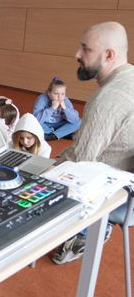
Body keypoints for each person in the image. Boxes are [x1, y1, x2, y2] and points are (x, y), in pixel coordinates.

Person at [52, 21, 134, 264]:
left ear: (109, 55)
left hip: (117, 191)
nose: (76, 54)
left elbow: (79, 162)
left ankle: (91, 228)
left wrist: (48, 168)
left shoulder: (109, 98)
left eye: (86, 49)